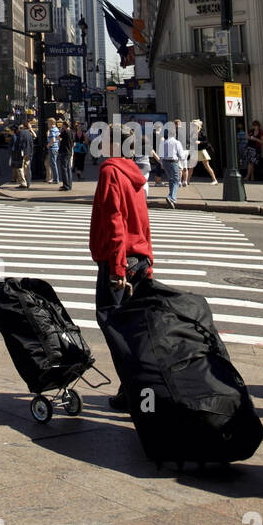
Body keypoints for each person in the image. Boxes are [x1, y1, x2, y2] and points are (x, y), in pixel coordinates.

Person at [89, 140, 154, 412]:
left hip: (119, 261)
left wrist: (116, 268)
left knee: (113, 325)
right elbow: (142, 220)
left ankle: (133, 389)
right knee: (133, 329)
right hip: (138, 258)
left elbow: (115, 221)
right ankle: (136, 390)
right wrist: (148, 261)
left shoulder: (110, 171)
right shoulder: (134, 173)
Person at [157, 119, 187, 208]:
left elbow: (160, 154)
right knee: (176, 180)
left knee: (171, 179)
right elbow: (181, 155)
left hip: (165, 162)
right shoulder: (176, 142)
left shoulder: (164, 142)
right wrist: (184, 162)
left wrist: (162, 163)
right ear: (174, 134)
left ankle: (171, 197)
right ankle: (171, 197)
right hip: (173, 162)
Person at [10, 117, 34, 188]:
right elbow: (31, 143)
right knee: (27, 168)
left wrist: (16, 152)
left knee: (20, 168)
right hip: (29, 152)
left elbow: (19, 143)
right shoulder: (29, 133)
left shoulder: (21, 133)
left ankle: (23, 182)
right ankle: (28, 182)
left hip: (22, 153)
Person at [58, 119, 74, 190]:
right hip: (69, 151)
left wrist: (61, 130)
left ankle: (66, 185)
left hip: (64, 151)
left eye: (62, 125)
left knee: (64, 168)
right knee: (68, 169)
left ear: (64, 125)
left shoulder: (65, 132)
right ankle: (69, 185)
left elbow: (59, 137)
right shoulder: (71, 132)